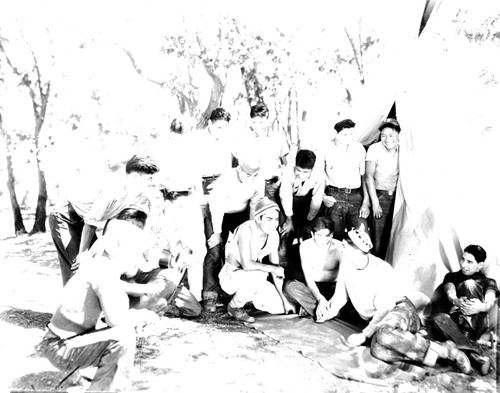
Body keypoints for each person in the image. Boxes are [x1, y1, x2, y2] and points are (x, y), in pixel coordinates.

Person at [36, 211, 161, 392]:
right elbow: (115, 320)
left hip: (63, 340)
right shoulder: (104, 270)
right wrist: (143, 316)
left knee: (122, 330)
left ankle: (91, 378)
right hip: (60, 347)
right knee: (123, 337)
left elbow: (116, 295)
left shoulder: (99, 265)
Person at [320, 228, 473, 374]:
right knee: (378, 350)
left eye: (344, 246)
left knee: (384, 335)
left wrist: (364, 335)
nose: (341, 249)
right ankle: (437, 350)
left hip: (401, 310)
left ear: (356, 250)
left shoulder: (381, 269)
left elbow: (384, 310)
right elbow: (340, 296)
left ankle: (449, 352)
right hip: (379, 322)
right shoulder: (347, 263)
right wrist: (327, 314)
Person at [49, 154, 160, 285]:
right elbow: (90, 224)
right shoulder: (114, 189)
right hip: (65, 218)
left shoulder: (134, 194)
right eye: (149, 179)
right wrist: (83, 255)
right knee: (78, 268)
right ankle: (70, 304)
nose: (152, 183)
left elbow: (112, 224)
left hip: (86, 222)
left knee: (97, 265)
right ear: (135, 176)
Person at [202, 154, 265, 312]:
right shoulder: (226, 179)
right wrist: (217, 233)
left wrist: (252, 228)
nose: (251, 178)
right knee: (215, 252)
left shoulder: (258, 179)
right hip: (219, 214)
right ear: (239, 169)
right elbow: (216, 208)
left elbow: (255, 203)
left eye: (254, 175)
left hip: (241, 214)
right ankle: (210, 293)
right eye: (248, 174)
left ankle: (238, 293)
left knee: (242, 251)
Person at [219, 198, 295, 323]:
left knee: (279, 308)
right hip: (231, 277)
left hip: (252, 278)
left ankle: (247, 298)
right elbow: (247, 265)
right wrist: (274, 269)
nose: (274, 224)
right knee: (259, 276)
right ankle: (234, 306)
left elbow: (276, 270)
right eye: (269, 219)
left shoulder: (273, 234)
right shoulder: (246, 229)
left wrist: (284, 300)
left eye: (276, 219)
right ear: (258, 218)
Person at [431, 244, 498, 375]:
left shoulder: (489, 282)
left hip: (477, 325)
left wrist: (480, 307)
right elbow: (450, 290)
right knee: (438, 319)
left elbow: (490, 300)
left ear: (480, 265)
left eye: (469, 262)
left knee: (470, 284)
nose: (463, 264)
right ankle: (474, 354)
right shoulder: (451, 276)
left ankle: (467, 343)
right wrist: (455, 300)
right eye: (462, 259)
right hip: (456, 326)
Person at [283, 217, 342, 319]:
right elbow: (309, 280)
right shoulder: (305, 246)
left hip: (334, 288)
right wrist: (320, 299)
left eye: (327, 236)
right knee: (289, 287)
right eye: (319, 236)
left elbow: (344, 283)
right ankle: (329, 311)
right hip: (312, 288)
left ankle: (318, 310)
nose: (323, 240)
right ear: (312, 234)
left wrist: (334, 300)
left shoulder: (340, 247)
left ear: (332, 234)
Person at [323, 119, 369, 241]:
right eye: (345, 135)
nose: (349, 138)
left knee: (361, 237)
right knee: (334, 237)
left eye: (351, 134)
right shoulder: (326, 148)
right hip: (334, 196)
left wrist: (365, 201)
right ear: (336, 133)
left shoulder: (359, 148)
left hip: (355, 197)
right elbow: (319, 177)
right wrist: (323, 196)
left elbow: (364, 176)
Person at [277, 149, 324, 260]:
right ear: (295, 165)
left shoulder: (319, 174)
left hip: (305, 201)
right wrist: (289, 220)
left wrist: (309, 220)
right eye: (298, 170)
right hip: (287, 201)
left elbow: (317, 199)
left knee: (309, 231)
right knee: (287, 230)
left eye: (305, 172)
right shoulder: (288, 171)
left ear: (312, 169)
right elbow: (285, 196)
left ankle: (308, 261)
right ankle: (282, 261)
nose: (301, 175)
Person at [365, 118, 401, 258]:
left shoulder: (404, 148)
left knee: (396, 239)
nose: (387, 139)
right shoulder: (375, 149)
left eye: (391, 135)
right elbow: (368, 176)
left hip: (398, 196)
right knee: (379, 240)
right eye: (383, 136)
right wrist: (375, 203)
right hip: (380, 196)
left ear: (398, 134)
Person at [240, 102, 290, 201]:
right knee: (254, 213)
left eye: (261, 122)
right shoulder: (246, 140)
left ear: (268, 121)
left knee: (274, 213)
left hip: (273, 185)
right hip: (253, 186)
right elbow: (242, 164)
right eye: (254, 122)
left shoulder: (278, 138)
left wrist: (279, 182)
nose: (257, 126)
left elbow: (287, 163)